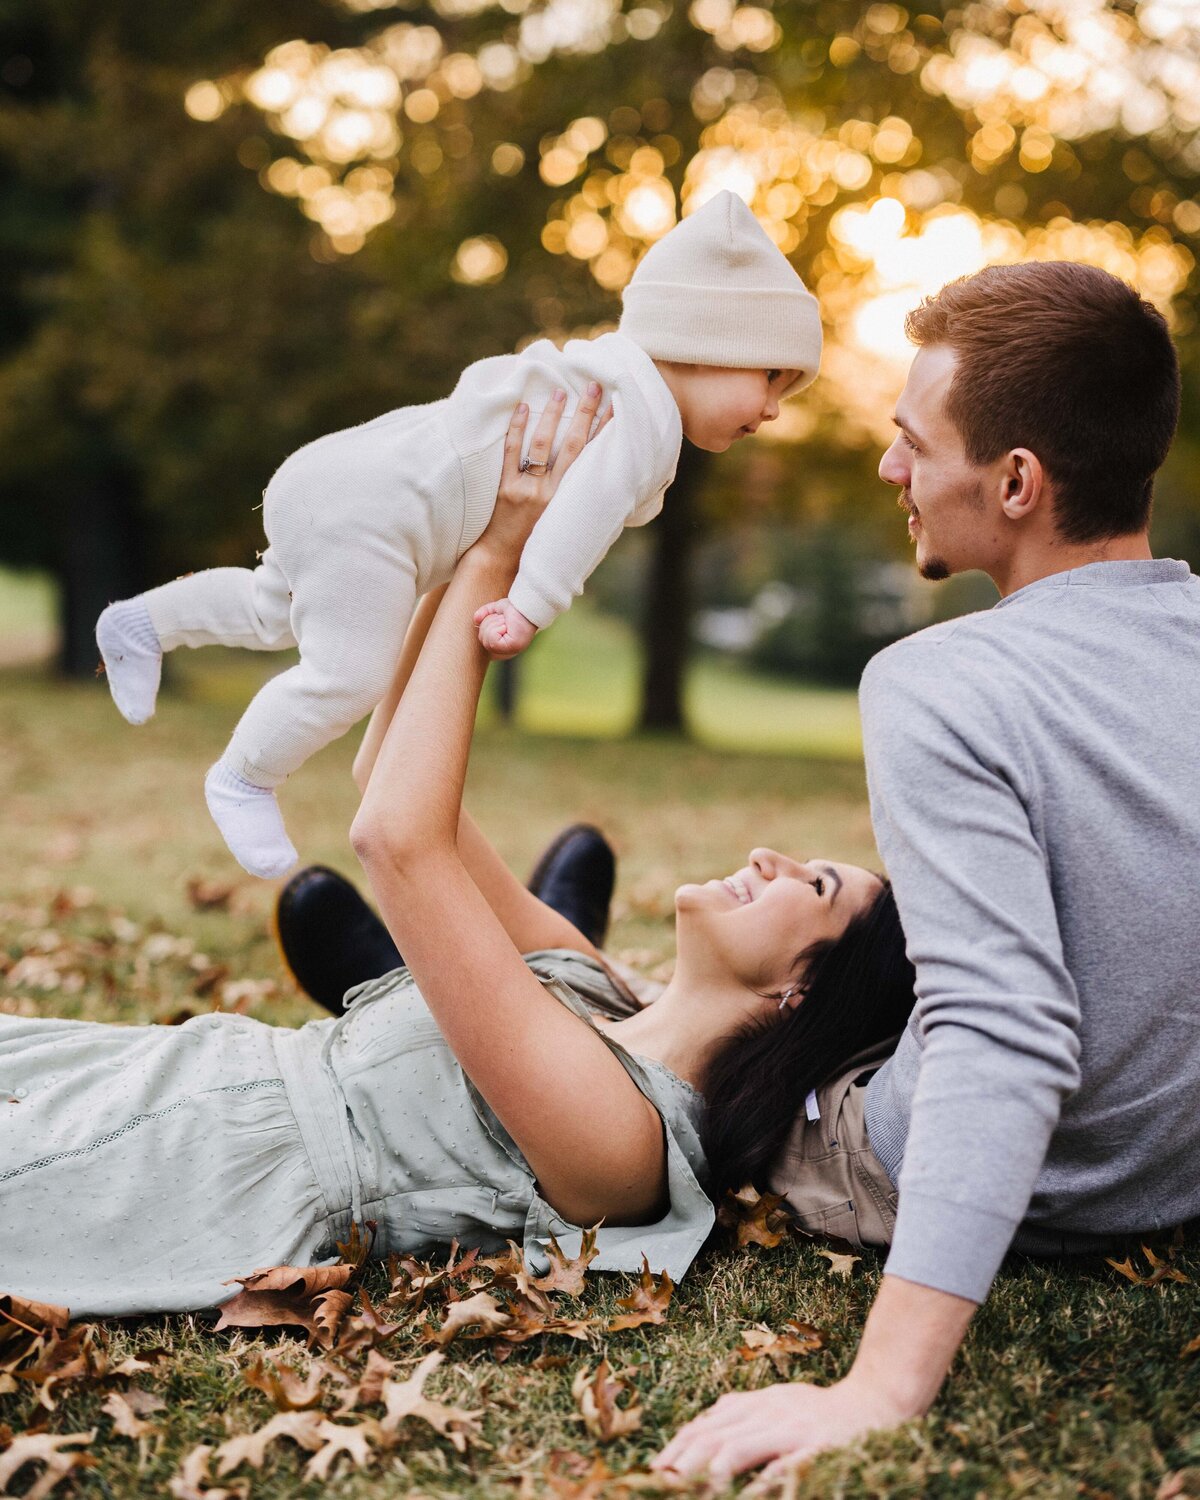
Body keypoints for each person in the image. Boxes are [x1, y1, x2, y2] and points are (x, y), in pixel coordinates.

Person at [1, 386, 914, 1320]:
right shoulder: (596, 985)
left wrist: (501, 556)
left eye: (815, 883)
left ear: (801, 990)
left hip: (204, 1168)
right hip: (196, 1069)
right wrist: (460, 522)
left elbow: (397, 841)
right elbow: (379, 767)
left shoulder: (628, 1146)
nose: (769, 857)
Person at [654, 260, 1200, 1482]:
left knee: (713, 1025)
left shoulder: (941, 683)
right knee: (836, 924)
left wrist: (880, 1387)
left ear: (1016, 482)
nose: (891, 471)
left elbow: (1000, 1032)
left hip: (1009, 1166)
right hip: (1168, 1164)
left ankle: (550, 964)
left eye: (913, 444)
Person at [94, 190, 821, 880]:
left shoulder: (600, 376)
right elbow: (580, 515)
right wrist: (531, 605)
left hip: (343, 474)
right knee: (350, 673)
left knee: (269, 610)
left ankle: (140, 625)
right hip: (378, 515)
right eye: (770, 379)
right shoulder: (637, 413)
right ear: (702, 345)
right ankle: (244, 778)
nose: (775, 411)